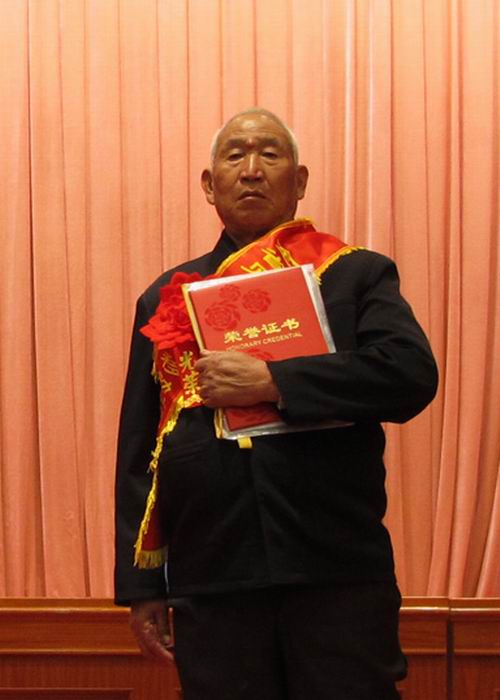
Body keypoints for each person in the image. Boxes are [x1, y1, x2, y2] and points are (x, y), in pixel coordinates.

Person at [114, 108, 438, 699]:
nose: (252, 170)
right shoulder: (167, 297)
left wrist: (275, 381)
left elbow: (408, 375)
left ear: (300, 180)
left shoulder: (354, 274)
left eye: (270, 153)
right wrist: (143, 586)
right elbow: (142, 451)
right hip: (213, 576)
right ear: (209, 184)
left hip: (335, 568)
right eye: (235, 155)